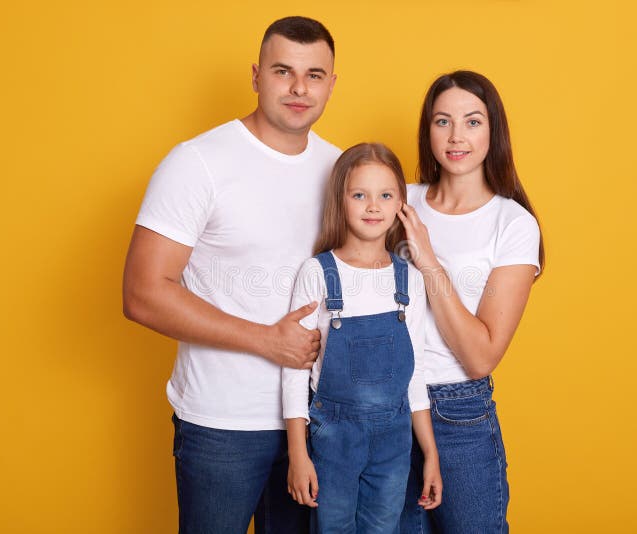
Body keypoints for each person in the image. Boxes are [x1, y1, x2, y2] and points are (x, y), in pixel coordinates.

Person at [122, 16, 340, 534]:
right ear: (256, 74)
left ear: (332, 83)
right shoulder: (197, 162)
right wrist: (267, 341)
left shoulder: (342, 170)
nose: (298, 87)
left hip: (314, 422)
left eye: (314, 74)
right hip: (221, 423)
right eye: (283, 70)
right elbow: (143, 293)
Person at [397, 71, 545, 534]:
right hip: (384, 406)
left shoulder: (512, 223)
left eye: (472, 122)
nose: (456, 136)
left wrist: (427, 261)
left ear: (493, 131)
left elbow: (481, 356)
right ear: (428, 131)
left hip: (456, 412)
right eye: (442, 121)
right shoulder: (399, 201)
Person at [282, 143, 442, 533]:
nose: (373, 206)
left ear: (401, 203)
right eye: (360, 195)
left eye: (385, 195)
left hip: (394, 437)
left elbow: (415, 372)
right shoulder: (318, 273)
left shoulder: (410, 279)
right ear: (341, 199)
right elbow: (295, 370)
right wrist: (298, 453)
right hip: (333, 436)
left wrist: (431, 452)